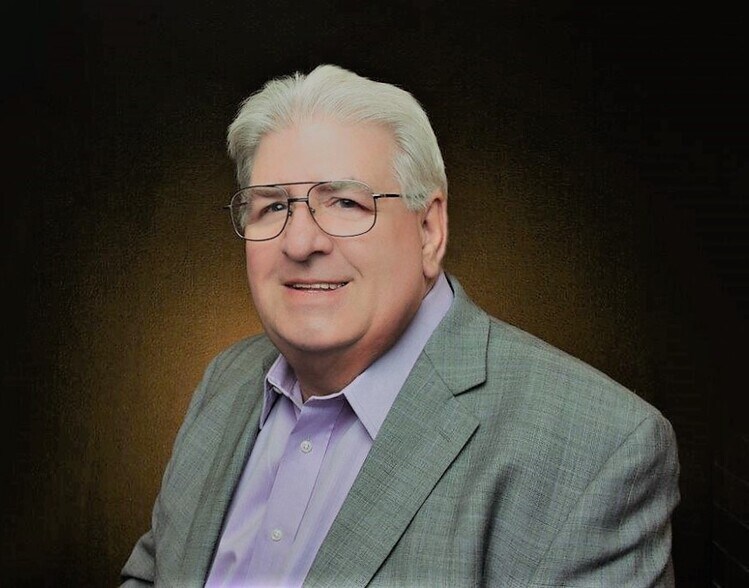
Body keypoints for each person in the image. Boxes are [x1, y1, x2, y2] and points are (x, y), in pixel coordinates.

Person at [120, 64, 680, 587]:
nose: (301, 242)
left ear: (429, 230)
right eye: (273, 207)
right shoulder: (226, 380)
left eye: (344, 203)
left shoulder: (598, 449)